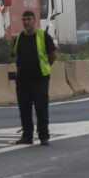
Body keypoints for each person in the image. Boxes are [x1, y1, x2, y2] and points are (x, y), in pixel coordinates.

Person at [12, 10, 58, 146]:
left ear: (34, 21)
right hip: (22, 79)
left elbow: (53, 54)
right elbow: (15, 54)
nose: (26, 22)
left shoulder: (43, 36)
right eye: (24, 20)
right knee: (24, 108)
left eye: (28, 19)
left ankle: (44, 136)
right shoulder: (19, 37)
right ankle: (27, 136)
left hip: (40, 78)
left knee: (41, 108)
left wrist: (46, 66)